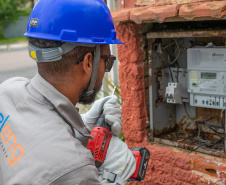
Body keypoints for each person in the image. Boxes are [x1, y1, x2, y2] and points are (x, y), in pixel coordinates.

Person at [0, 0, 136, 184]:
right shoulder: (74, 169)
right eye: (108, 61)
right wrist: (113, 177)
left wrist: (79, 127)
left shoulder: (8, 89)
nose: (106, 69)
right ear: (88, 63)